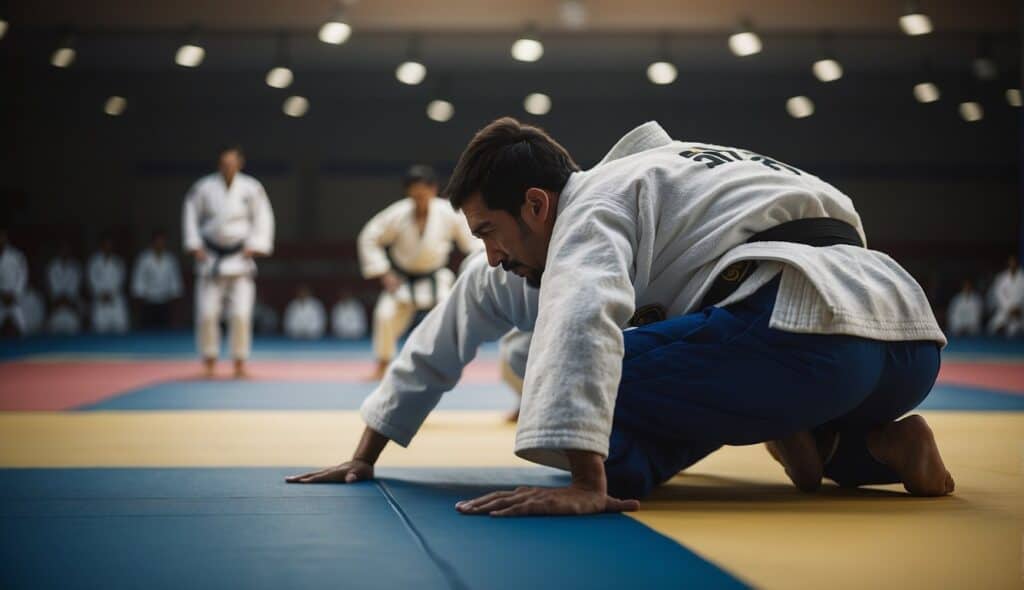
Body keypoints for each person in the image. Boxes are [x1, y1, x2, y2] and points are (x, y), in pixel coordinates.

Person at [288, 118, 953, 517]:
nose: (489, 255)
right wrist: (367, 450)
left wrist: (583, 482)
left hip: (793, 333)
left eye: (490, 231)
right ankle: (866, 449)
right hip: (906, 338)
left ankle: (799, 426)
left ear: (538, 205)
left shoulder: (589, 209)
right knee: (613, 368)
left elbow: (579, 318)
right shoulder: (656, 183)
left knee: (565, 399)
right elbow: (453, 321)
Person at [357, 165, 482, 378]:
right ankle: (383, 363)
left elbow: (473, 242)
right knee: (385, 315)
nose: (420, 200)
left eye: (423, 194)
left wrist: (474, 266)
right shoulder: (398, 213)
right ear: (408, 193)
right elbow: (369, 237)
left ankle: (449, 364)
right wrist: (384, 273)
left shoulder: (447, 212)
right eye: (415, 196)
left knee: (452, 316)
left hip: (435, 277)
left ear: (433, 190)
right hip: (403, 279)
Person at [183, 146, 275, 378]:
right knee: (207, 314)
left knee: (241, 314)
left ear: (240, 164)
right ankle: (209, 361)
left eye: (232, 163)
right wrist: (194, 244)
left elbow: (263, 217)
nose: (228, 167)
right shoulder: (203, 188)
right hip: (211, 258)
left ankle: (239, 362)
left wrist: (258, 244)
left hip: (240, 258)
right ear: (219, 164)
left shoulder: (251, 188)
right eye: (224, 163)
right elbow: (190, 215)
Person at [131, 231, 183, 329]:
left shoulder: (170, 259)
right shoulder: (144, 259)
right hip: (148, 302)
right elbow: (138, 281)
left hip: (165, 302)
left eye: (162, 242)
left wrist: (176, 300)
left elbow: (175, 282)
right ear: (152, 243)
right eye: (157, 242)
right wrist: (139, 300)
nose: (160, 244)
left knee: (165, 332)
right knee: (147, 331)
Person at [87, 235, 129, 333]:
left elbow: (121, 282)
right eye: (105, 245)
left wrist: (111, 294)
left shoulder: (119, 262)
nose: (108, 247)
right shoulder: (93, 262)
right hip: (99, 300)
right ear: (101, 246)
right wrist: (100, 294)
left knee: (121, 328)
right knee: (99, 329)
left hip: (115, 300)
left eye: (110, 245)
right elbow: (91, 281)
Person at [987, 255, 1024, 337]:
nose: (1012, 264)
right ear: (1008, 263)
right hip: (1005, 309)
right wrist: (1009, 308)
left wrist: (1019, 308)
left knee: (1014, 330)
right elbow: (999, 295)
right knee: (993, 327)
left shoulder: (1022, 277)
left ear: (1017, 263)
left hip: (1020, 311)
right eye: (1011, 262)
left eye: (1014, 262)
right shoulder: (1001, 278)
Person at [0, 229, 28, 337]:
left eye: (1, 237)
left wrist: (16, 292)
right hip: (1, 298)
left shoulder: (16, 255)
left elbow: (23, 275)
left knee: (22, 328)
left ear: (5, 238)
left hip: (14, 297)